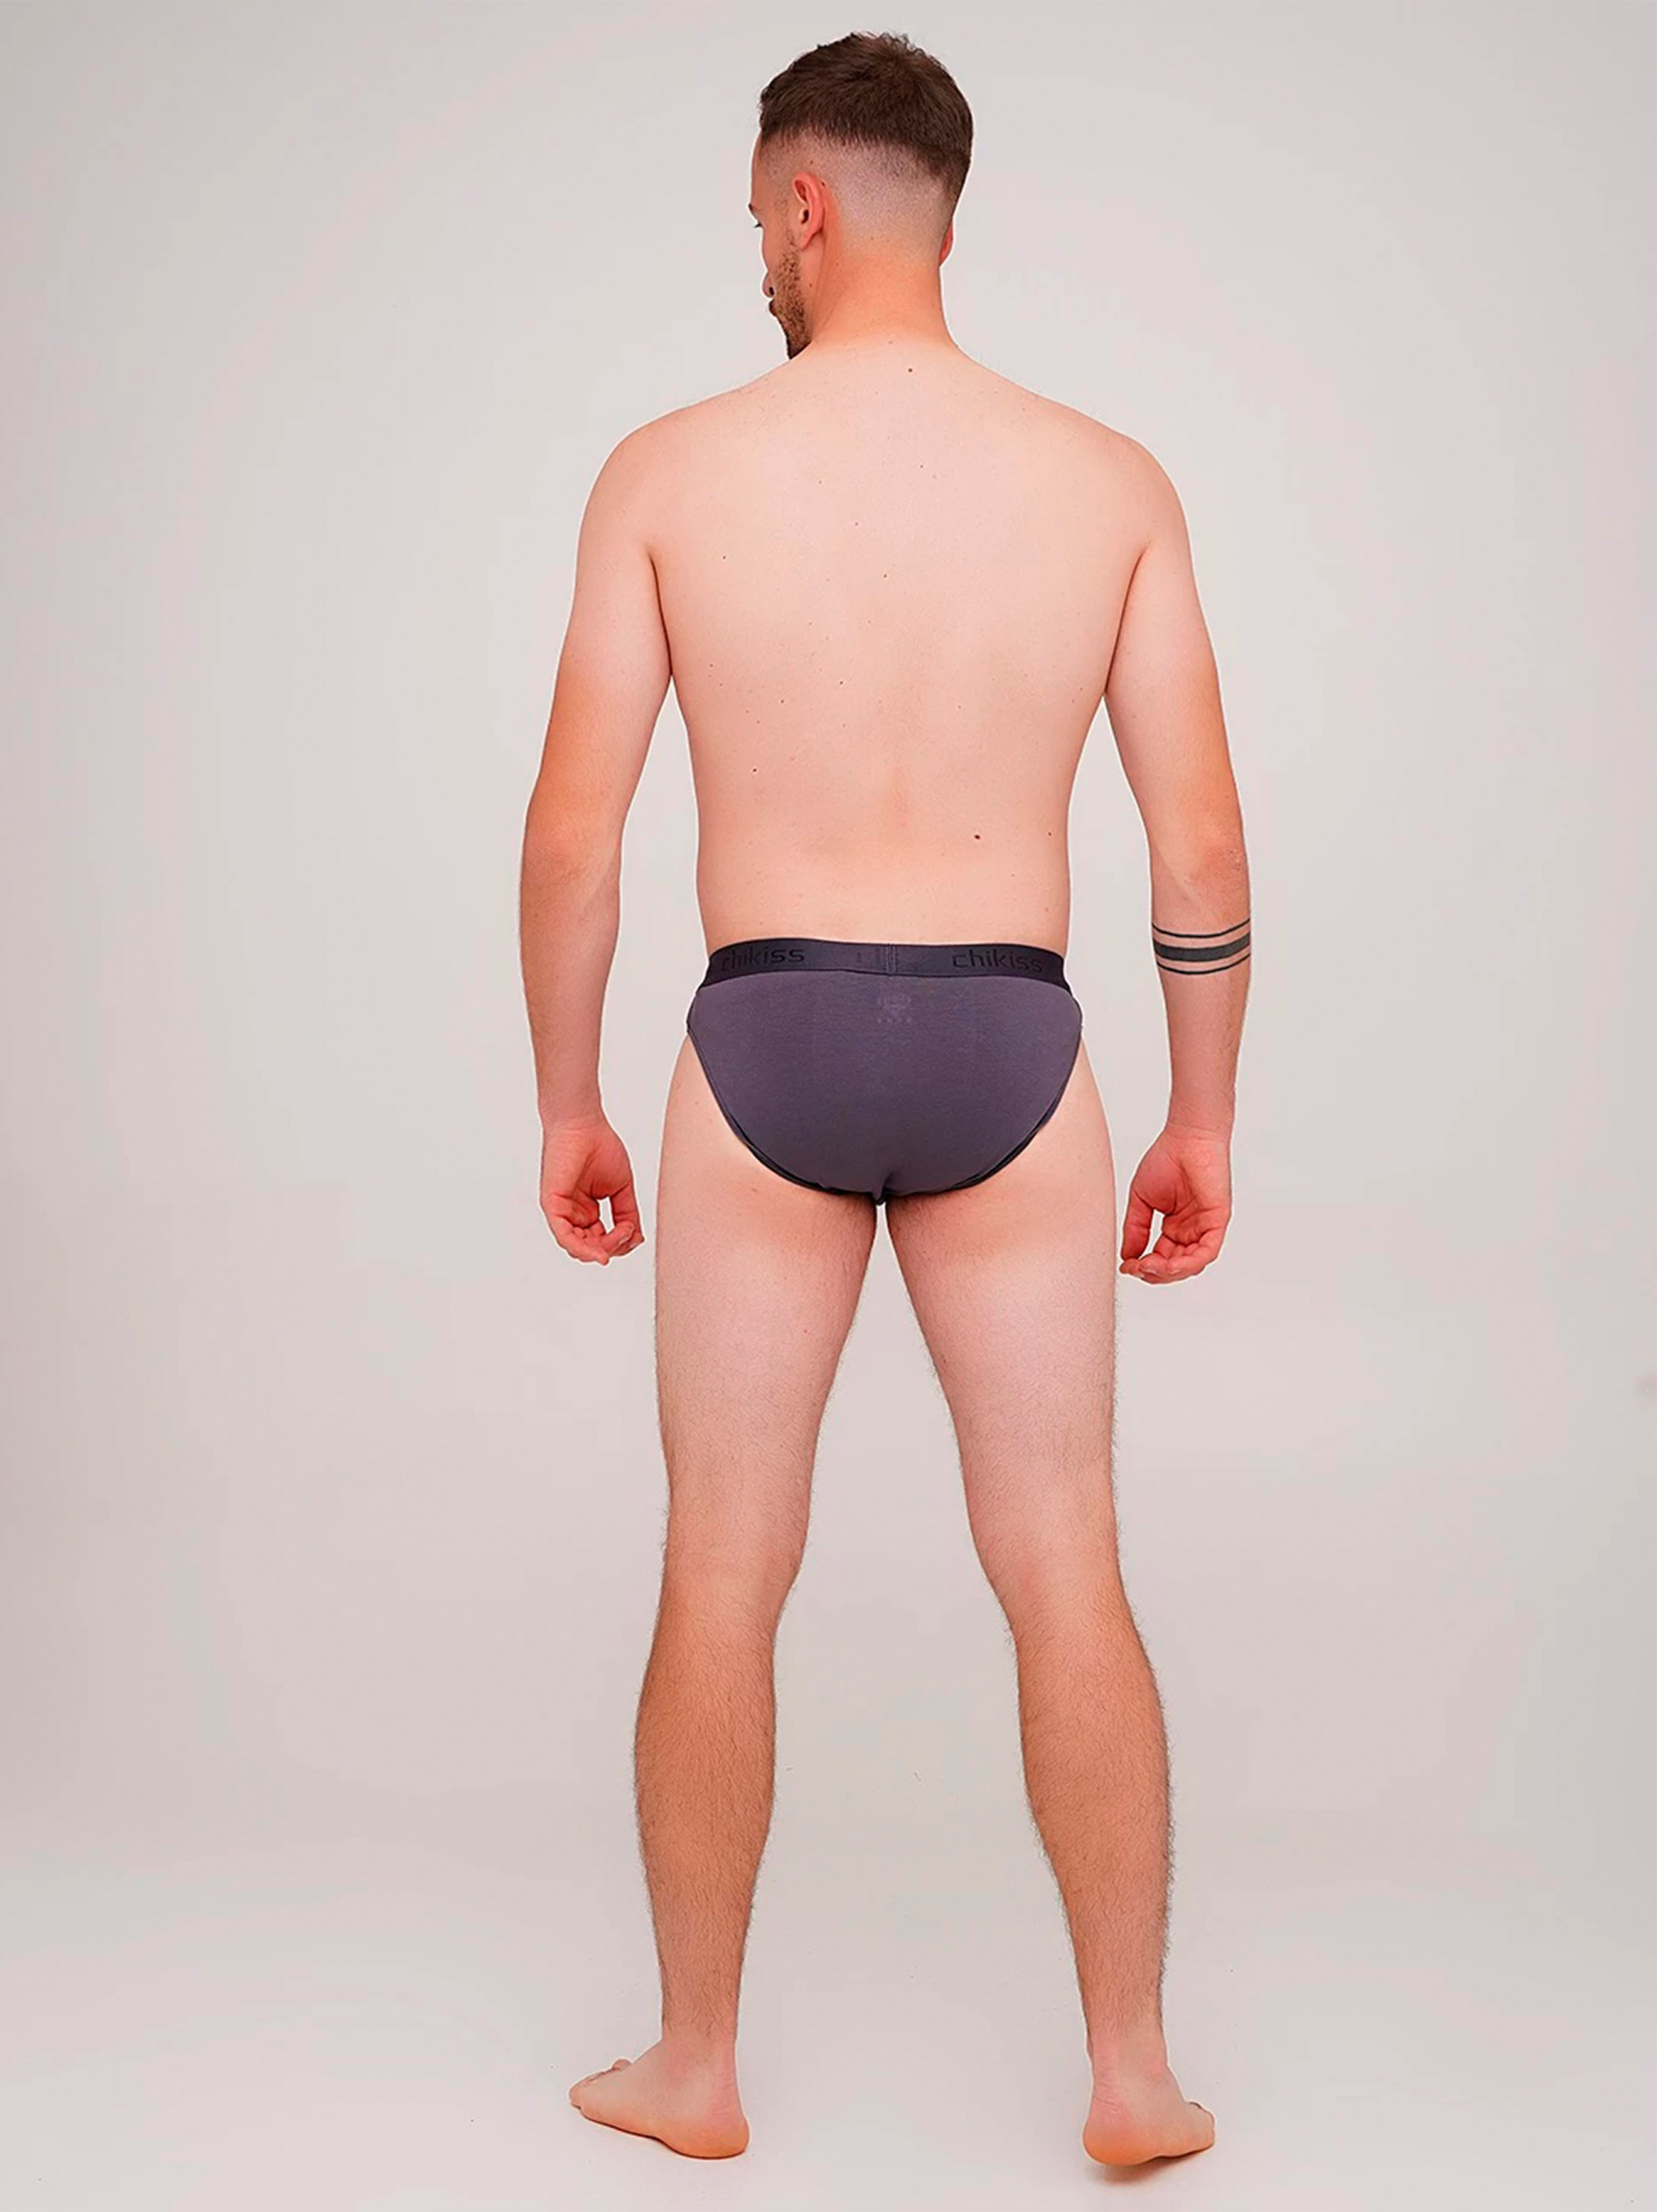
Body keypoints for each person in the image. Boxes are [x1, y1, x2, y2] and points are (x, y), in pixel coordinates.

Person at [520, 29, 1248, 2171]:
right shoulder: (1108, 481)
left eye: (759, 217)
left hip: (766, 1033)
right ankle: (1133, 2074)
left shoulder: (668, 472)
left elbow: (572, 841)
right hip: (1012, 1043)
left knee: (723, 1565)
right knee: (1064, 1561)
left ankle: (692, 2065)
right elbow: (1200, 851)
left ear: (808, 204)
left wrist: (567, 1097)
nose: (755, 249)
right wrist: (1201, 1113)